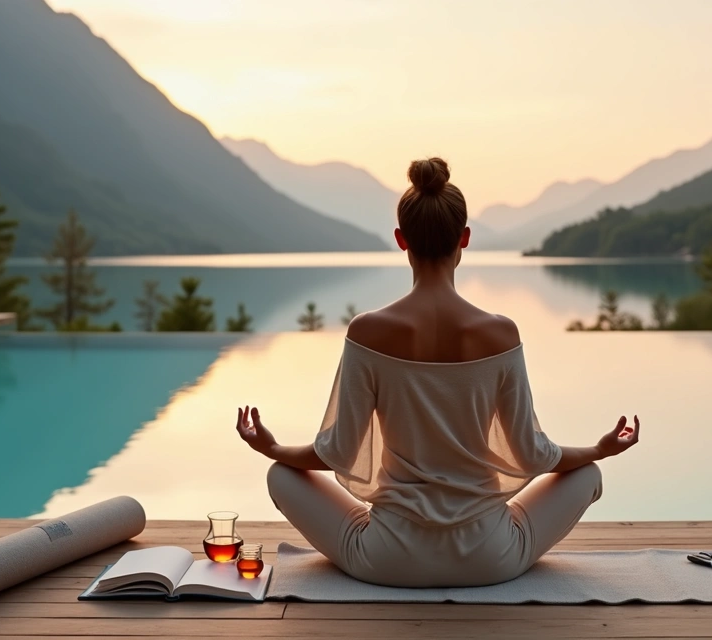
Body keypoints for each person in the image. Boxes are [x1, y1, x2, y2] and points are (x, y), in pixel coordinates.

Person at [234, 157, 640, 587]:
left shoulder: (368, 332)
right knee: (588, 476)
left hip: (386, 559)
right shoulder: (500, 334)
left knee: (280, 476)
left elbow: (337, 452)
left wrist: (272, 449)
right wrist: (598, 451)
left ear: (400, 240)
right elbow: (533, 455)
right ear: (464, 238)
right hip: (492, 557)